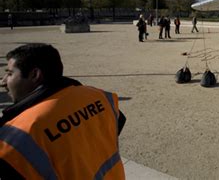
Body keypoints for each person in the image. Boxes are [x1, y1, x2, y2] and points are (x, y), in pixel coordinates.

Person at [0, 44, 126, 179]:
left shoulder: (15, 134)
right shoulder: (98, 96)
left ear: (35, 75)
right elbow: (117, 123)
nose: (3, 81)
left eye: (9, 73)